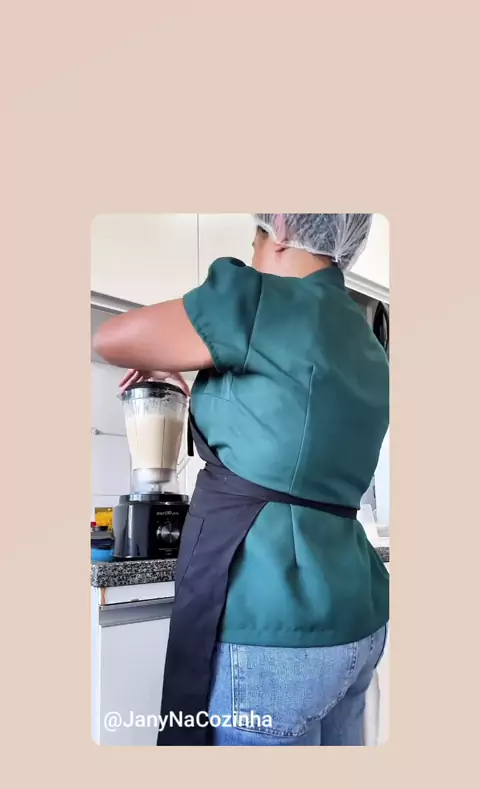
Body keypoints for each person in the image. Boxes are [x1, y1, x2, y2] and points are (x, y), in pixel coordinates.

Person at [94, 213, 389, 746]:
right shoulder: (366, 341)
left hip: (272, 619)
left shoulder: (256, 298)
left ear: (279, 226)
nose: (252, 254)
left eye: (253, 240)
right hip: (357, 618)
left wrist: (172, 357)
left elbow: (111, 338)